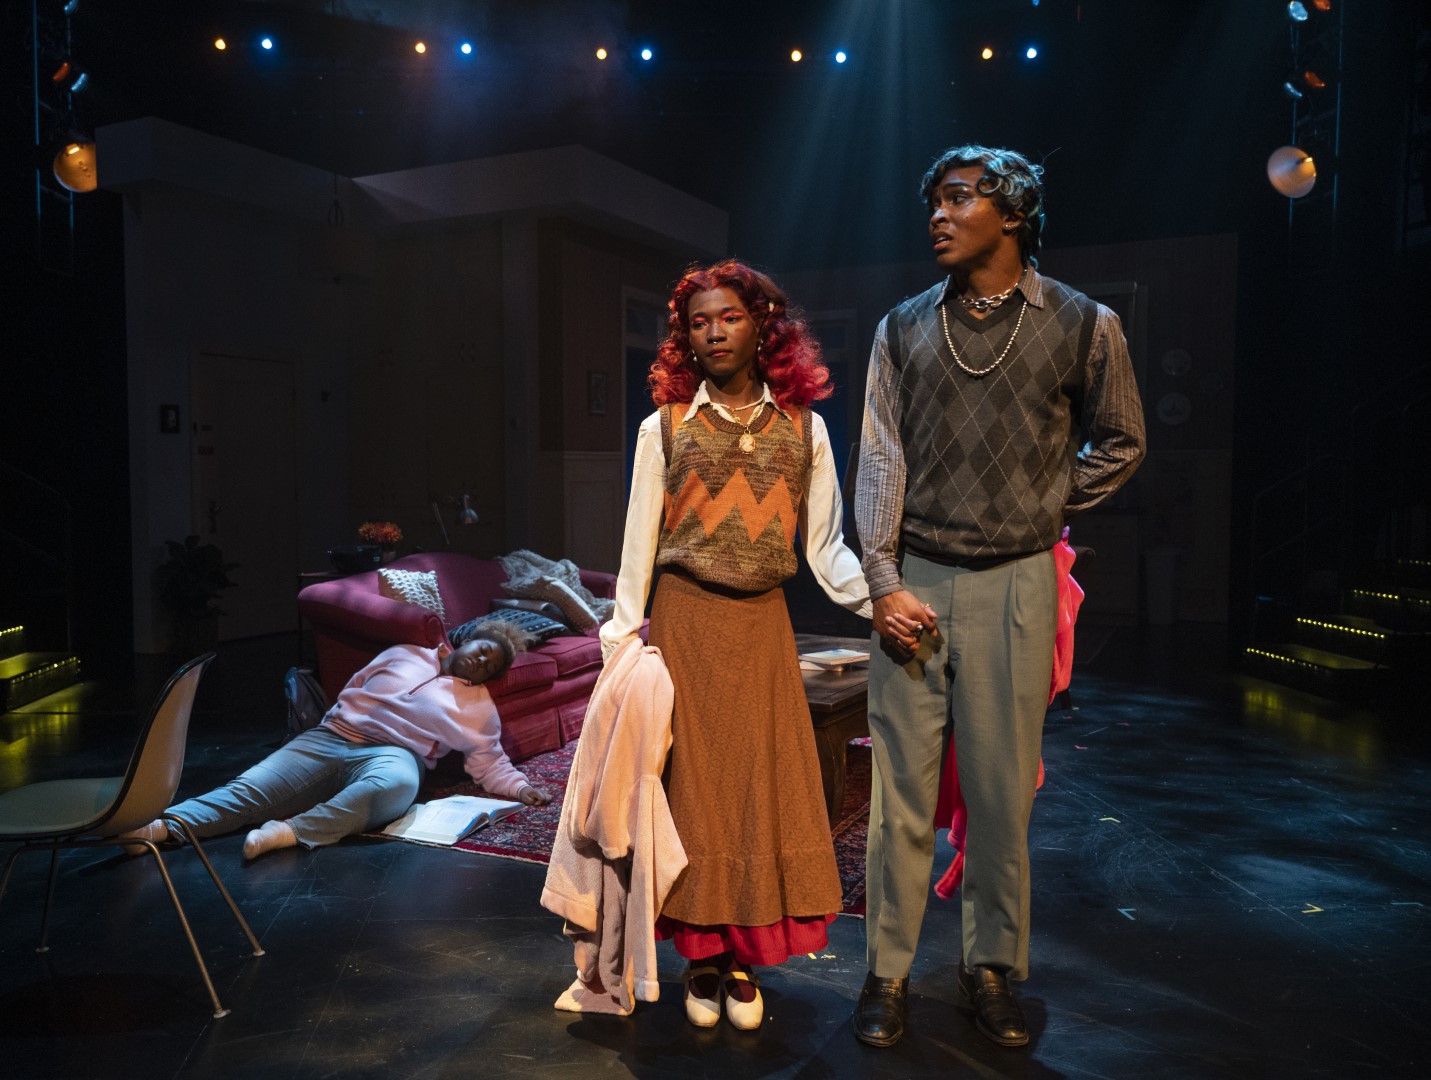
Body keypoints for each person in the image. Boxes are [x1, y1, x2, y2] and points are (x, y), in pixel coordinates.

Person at [852, 145, 1146, 1049]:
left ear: (1011, 213)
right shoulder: (903, 326)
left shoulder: (1083, 323)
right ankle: (886, 973)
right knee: (899, 794)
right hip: (917, 582)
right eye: (933, 202)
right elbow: (879, 459)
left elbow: (1122, 439)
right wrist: (882, 583)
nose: (937, 217)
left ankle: (990, 970)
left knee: (999, 795)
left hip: (1019, 580)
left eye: (957, 200)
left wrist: (1045, 502)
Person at [600, 259, 871, 1030]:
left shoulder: (804, 429)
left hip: (760, 630)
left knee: (754, 794)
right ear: (683, 338)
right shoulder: (665, 426)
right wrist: (620, 638)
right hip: (684, 626)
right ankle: (700, 955)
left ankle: (741, 956)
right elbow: (637, 546)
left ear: (763, 327)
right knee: (692, 794)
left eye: (729, 317)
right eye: (698, 322)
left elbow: (826, 550)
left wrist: (880, 600)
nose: (713, 332)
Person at [126, 620, 552, 859]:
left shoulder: (477, 708)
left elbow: (489, 761)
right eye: (482, 650)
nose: (481, 661)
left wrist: (520, 788)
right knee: (251, 787)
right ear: (465, 640)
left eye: (490, 666)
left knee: (397, 788)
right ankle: (161, 828)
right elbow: (355, 685)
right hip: (331, 737)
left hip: (394, 755)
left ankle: (289, 832)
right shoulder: (405, 653)